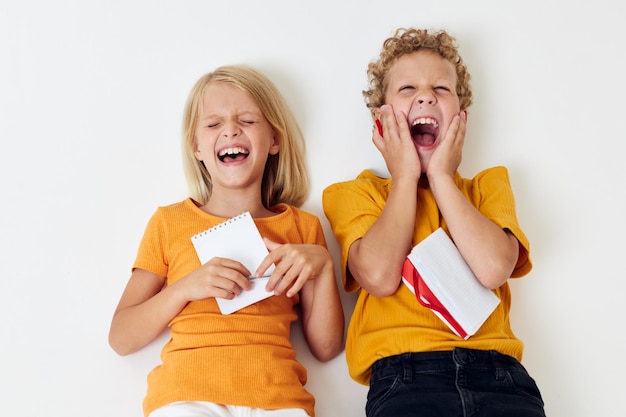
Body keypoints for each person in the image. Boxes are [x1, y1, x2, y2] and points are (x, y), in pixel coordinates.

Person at [322, 28, 546, 417]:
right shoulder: (357, 195)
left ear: (461, 117)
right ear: (381, 118)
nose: (425, 96)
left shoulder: (487, 187)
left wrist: (442, 177)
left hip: (499, 377)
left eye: (441, 89)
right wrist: (405, 176)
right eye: (407, 89)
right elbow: (377, 275)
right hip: (405, 379)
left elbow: (494, 268)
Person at [109, 65, 344, 417]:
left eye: (247, 121)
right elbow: (121, 338)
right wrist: (185, 288)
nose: (231, 129)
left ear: (274, 141)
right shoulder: (169, 223)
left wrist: (323, 269)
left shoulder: (302, 227)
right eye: (213, 123)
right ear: (197, 148)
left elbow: (326, 348)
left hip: (278, 398)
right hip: (186, 395)